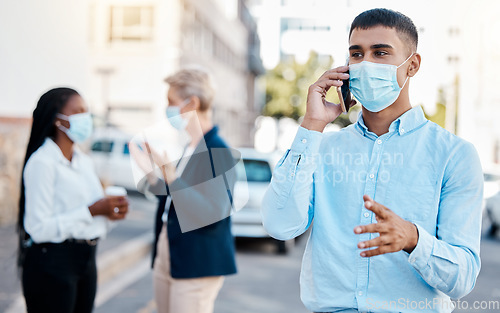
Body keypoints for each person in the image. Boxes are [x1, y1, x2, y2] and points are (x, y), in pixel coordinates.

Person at [261, 8, 483, 313]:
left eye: (380, 53)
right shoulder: (323, 148)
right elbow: (279, 225)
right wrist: (311, 125)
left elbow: (463, 278)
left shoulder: (454, 155)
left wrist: (414, 240)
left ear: (412, 65)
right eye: (357, 54)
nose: (365, 64)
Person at [130, 67, 237, 313]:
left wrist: (173, 179)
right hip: (171, 249)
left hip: (197, 261)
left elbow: (214, 213)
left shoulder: (218, 150)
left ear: (192, 104)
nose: (167, 109)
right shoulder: (192, 146)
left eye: (171, 102)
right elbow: (175, 199)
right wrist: (153, 174)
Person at [18, 87, 129, 313]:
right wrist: (91, 211)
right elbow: (37, 228)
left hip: (86, 260)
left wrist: (110, 211)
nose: (85, 118)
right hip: (52, 264)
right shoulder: (43, 163)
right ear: (58, 121)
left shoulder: (84, 161)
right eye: (78, 111)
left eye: (86, 111)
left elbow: (93, 210)